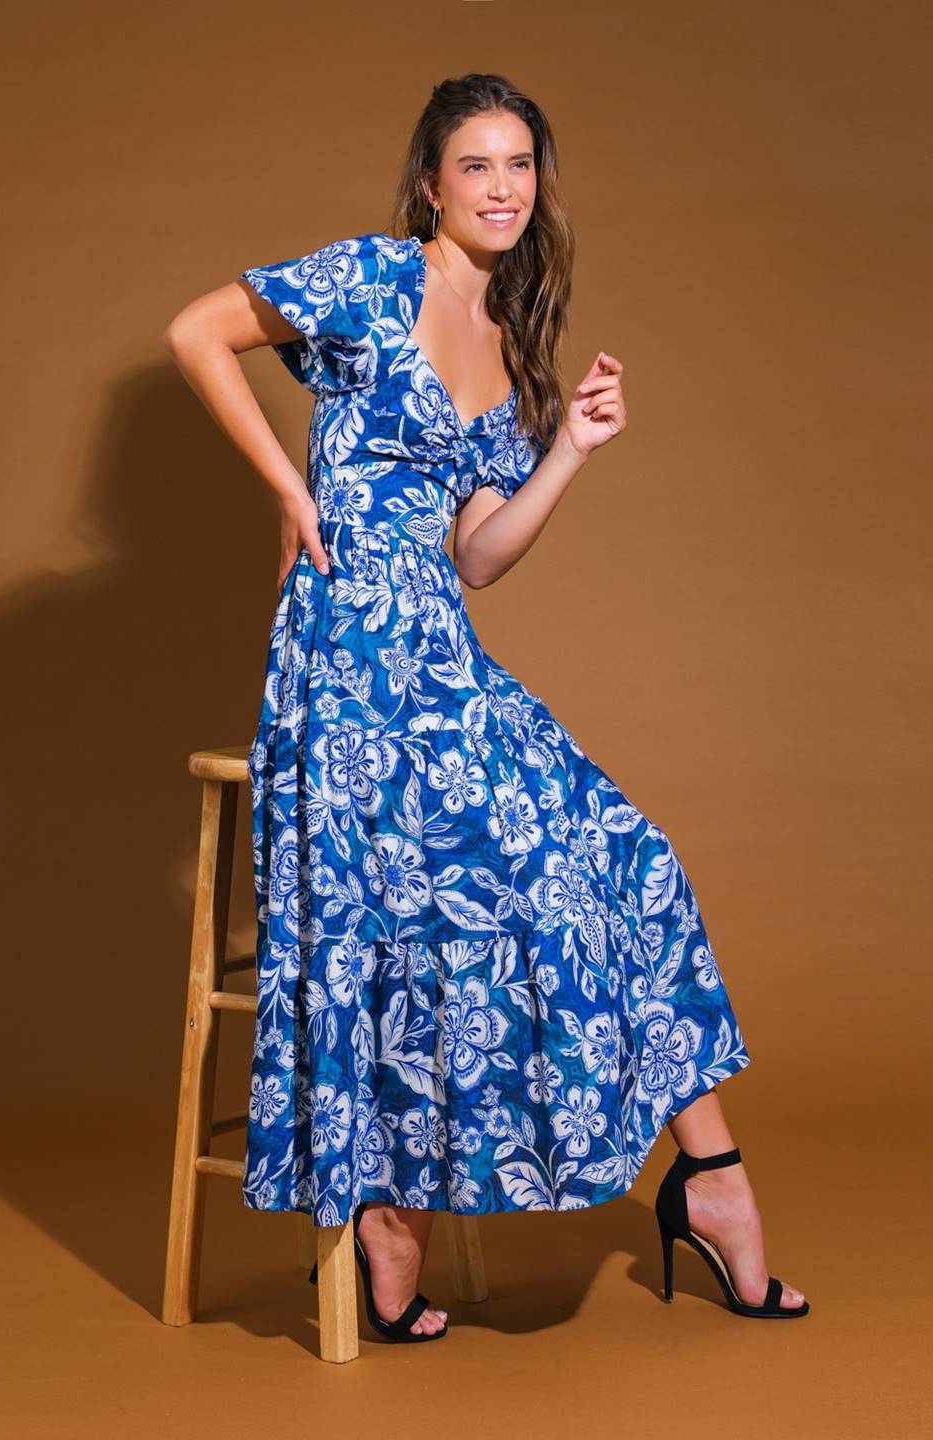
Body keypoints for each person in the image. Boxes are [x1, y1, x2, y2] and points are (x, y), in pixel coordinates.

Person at [163, 72, 808, 1341]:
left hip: (445, 664)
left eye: (521, 165)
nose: (504, 187)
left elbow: (478, 556)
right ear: (431, 184)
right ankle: (386, 1208)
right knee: (462, 884)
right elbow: (192, 333)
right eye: (478, 165)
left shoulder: (514, 345)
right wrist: (291, 491)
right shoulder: (367, 279)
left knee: (626, 859)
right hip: (346, 661)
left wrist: (571, 451)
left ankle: (711, 1174)